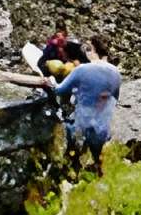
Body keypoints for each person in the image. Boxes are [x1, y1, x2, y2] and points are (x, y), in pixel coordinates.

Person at [51, 41, 121, 172]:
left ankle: (68, 169)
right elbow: (114, 99)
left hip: (82, 129)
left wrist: (51, 81)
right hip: (104, 131)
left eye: (87, 49)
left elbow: (59, 90)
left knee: (61, 126)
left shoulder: (81, 70)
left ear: (91, 51)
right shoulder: (116, 73)